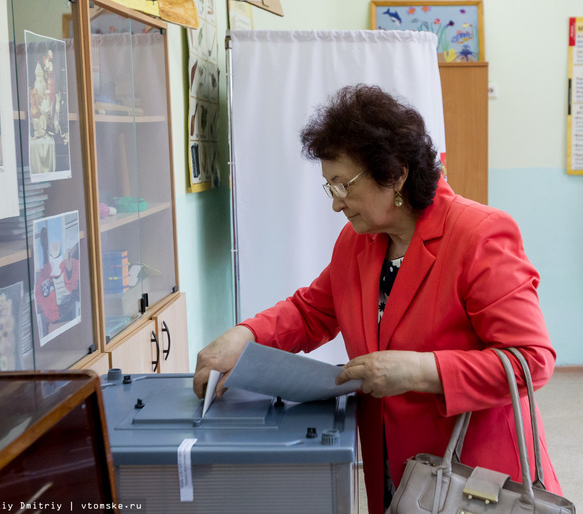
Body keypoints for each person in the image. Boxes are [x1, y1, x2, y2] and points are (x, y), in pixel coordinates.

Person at [192, 84, 562, 514]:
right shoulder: (358, 242)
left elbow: (531, 359)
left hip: (473, 476)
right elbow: (311, 311)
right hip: (392, 466)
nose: (336, 205)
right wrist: (245, 335)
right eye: (329, 187)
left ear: (396, 174)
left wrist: (423, 370)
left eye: (343, 185)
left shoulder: (479, 234)